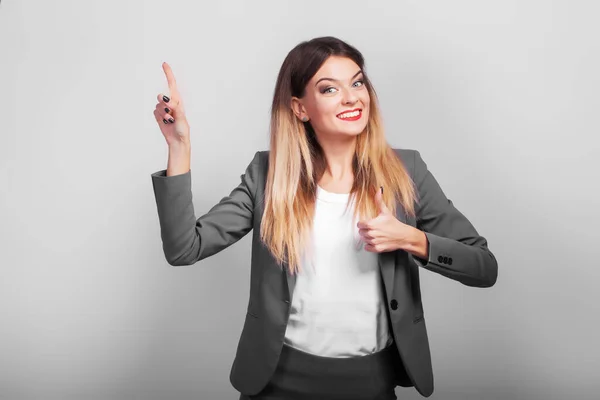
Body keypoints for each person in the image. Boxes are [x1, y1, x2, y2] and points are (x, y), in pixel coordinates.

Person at [150, 36, 498, 400]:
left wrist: (411, 239)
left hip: (371, 384)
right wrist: (179, 146)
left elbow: (483, 268)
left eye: (357, 82)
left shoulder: (406, 170)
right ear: (300, 109)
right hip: (276, 384)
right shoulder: (268, 175)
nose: (352, 97)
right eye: (330, 89)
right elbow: (184, 248)